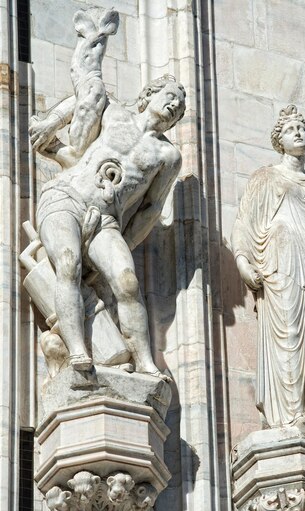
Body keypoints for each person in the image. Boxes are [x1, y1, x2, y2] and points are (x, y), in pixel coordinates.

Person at [29, 8, 186, 378]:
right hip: (65, 198)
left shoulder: (168, 155)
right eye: (170, 95)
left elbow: (150, 210)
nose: (175, 104)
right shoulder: (115, 113)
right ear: (149, 94)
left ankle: (145, 361)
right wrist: (52, 123)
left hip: (106, 220)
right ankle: (79, 351)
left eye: (179, 106)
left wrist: (123, 240)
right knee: (67, 263)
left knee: (127, 281)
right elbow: (85, 95)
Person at [232, 105, 305, 435]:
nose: (298, 132)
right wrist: (243, 263)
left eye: (303, 128)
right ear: (279, 141)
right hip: (281, 269)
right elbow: (243, 225)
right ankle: (294, 415)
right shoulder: (266, 178)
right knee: (289, 340)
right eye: (290, 130)